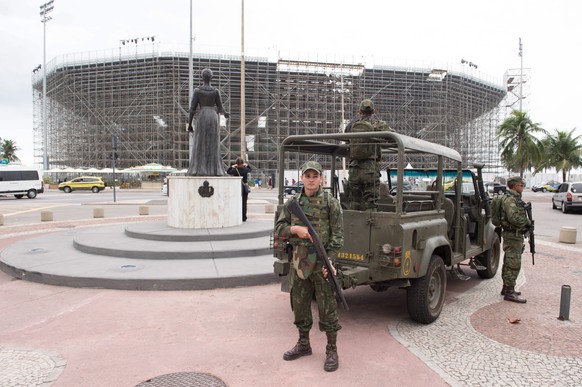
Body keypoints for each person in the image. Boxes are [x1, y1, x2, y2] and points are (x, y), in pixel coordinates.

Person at [274, 161, 344, 372]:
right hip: (300, 261)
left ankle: (332, 349)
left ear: (321, 178)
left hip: (322, 263)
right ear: (302, 178)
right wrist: (295, 229)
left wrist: (331, 260)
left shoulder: (331, 203)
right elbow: (279, 227)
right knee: (300, 305)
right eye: (308, 176)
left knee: (327, 307)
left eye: (315, 176)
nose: (311, 179)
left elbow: (338, 236)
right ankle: (304, 344)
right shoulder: (293, 202)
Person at [345, 99, 392, 211]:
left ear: (359, 111)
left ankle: (352, 226)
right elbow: (391, 135)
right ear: (373, 111)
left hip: (354, 168)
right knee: (371, 202)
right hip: (370, 169)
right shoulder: (378, 125)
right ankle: (371, 226)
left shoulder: (351, 126)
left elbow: (346, 139)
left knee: (354, 201)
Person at [187, 68, 230, 176]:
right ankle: (215, 170)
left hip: (202, 116)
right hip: (212, 116)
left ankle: (198, 169)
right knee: (213, 143)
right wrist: (225, 114)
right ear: (211, 77)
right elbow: (220, 108)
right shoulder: (215, 91)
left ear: (202, 77)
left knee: (200, 142)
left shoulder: (197, 91)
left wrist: (190, 124)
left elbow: (192, 109)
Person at [500, 176, 530, 303]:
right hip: (512, 235)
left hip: (514, 235)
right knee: (513, 263)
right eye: (521, 185)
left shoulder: (514, 199)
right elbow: (514, 218)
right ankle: (509, 292)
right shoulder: (511, 200)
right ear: (515, 186)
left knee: (509, 261)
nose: (522, 187)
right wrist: (527, 222)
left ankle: (507, 288)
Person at [226, 157, 252, 222]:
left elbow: (228, 171)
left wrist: (232, 166)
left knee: (236, 202)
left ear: (236, 164)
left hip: (236, 188)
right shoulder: (245, 169)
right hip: (244, 187)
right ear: (242, 163)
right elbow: (250, 169)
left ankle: (237, 215)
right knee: (244, 202)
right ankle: (244, 217)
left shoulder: (234, 170)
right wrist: (246, 165)